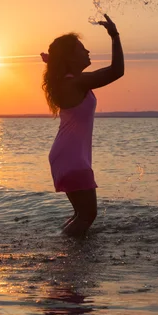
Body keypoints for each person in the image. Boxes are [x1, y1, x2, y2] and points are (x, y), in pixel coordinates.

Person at [40, 14, 124, 237]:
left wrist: (54, 60)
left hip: (68, 156)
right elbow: (117, 71)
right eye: (81, 49)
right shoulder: (75, 82)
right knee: (88, 215)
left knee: (81, 214)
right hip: (72, 159)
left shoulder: (69, 80)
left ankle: (71, 249)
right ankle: (63, 247)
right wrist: (114, 35)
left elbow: (58, 65)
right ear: (70, 58)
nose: (87, 52)